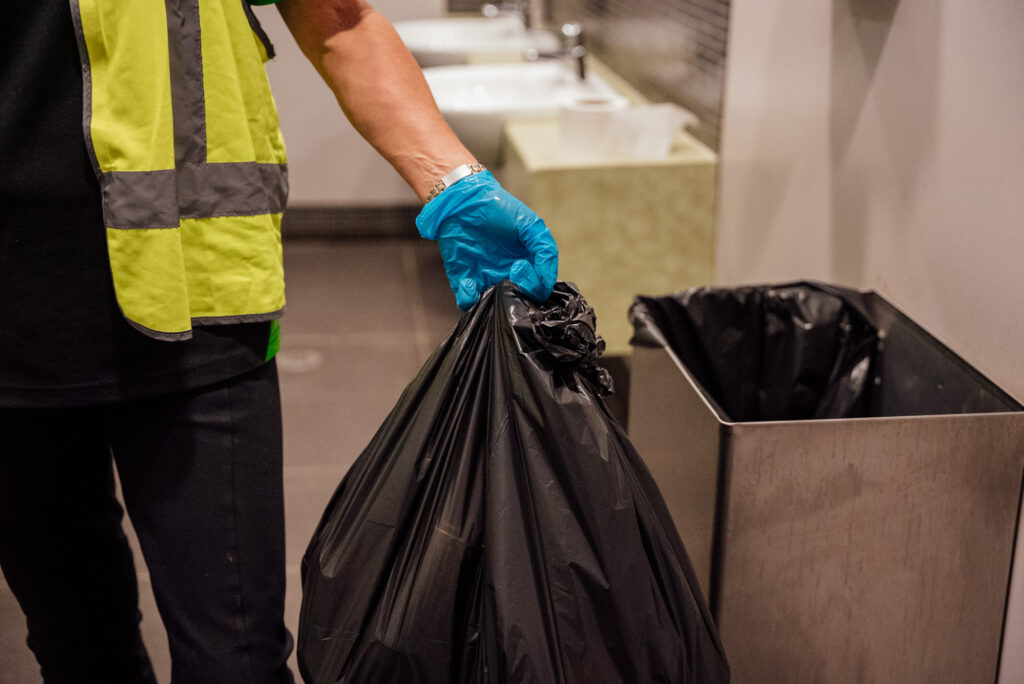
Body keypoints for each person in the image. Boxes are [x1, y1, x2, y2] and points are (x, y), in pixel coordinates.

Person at [0, 0, 557, 681]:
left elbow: (339, 22)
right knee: (76, 645)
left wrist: (455, 182)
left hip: (200, 300)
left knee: (236, 660)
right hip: (13, 331)